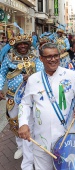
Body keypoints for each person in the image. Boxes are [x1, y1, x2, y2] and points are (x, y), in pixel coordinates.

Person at [18, 42, 75, 170]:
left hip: (66, 135)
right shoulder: (33, 79)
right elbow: (25, 103)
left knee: (66, 166)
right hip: (41, 138)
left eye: (56, 55)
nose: (53, 59)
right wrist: (23, 123)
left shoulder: (71, 75)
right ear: (41, 58)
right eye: (49, 57)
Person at [0, 30, 44, 169]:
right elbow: (2, 73)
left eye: (25, 43)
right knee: (14, 121)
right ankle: (20, 145)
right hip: (13, 96)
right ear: (15, 46)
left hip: (32, 96)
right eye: (20, 44)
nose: (23, 46)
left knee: (32, 121)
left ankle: (32, 148)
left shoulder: (35, 56)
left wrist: (32, 75)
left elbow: (42, 72)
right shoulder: (9, 57)